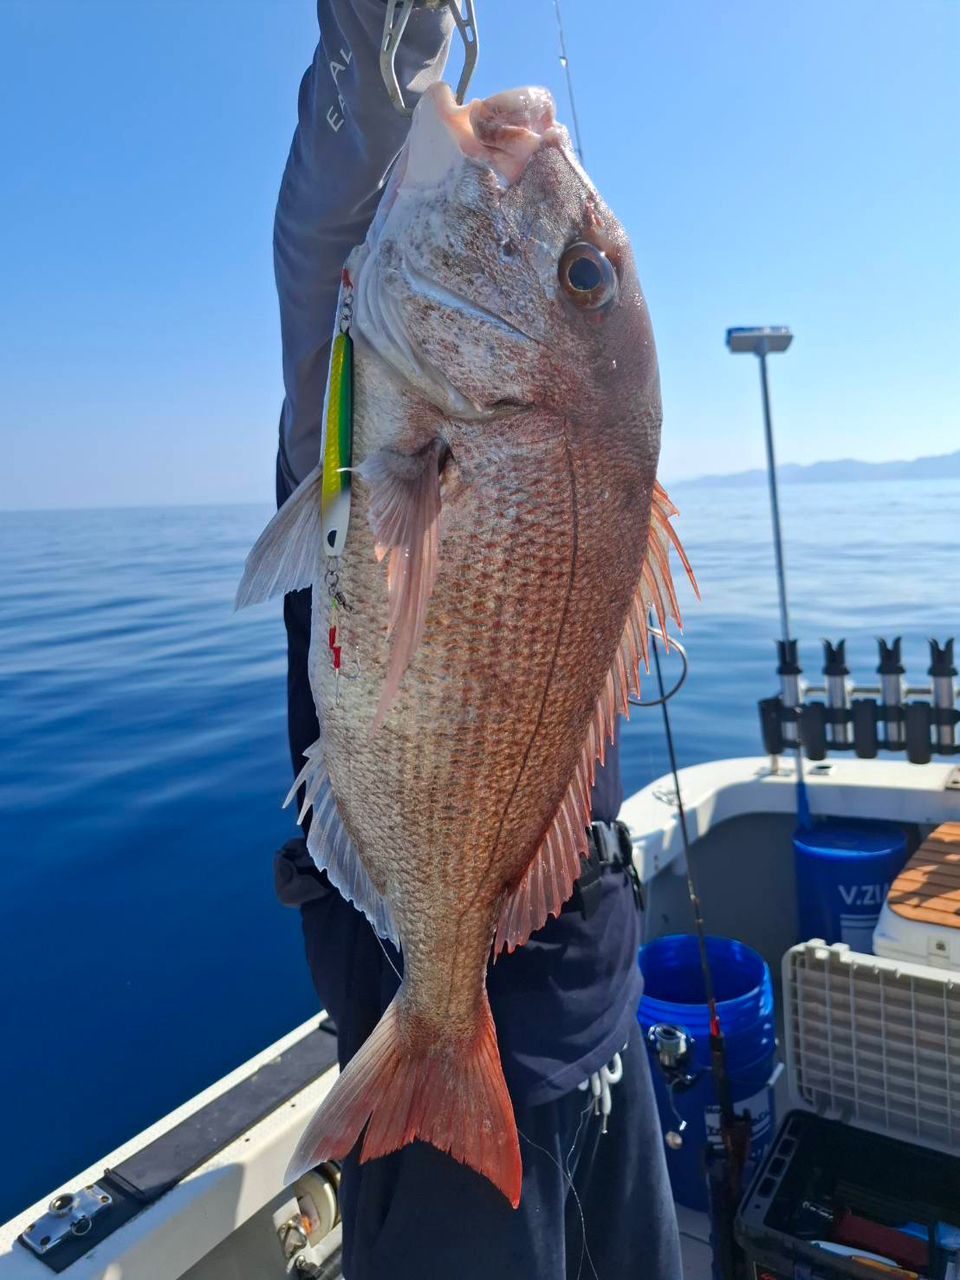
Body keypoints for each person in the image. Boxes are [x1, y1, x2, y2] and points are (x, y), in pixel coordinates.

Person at [270, 3, 682, 1276]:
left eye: (580, 278)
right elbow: (327, 206)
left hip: (593, 991)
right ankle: (433, 1038)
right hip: (444, 1029)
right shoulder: (352, 389)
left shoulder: (482, 401)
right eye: (582, 277)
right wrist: (386, 35)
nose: (535, 141)